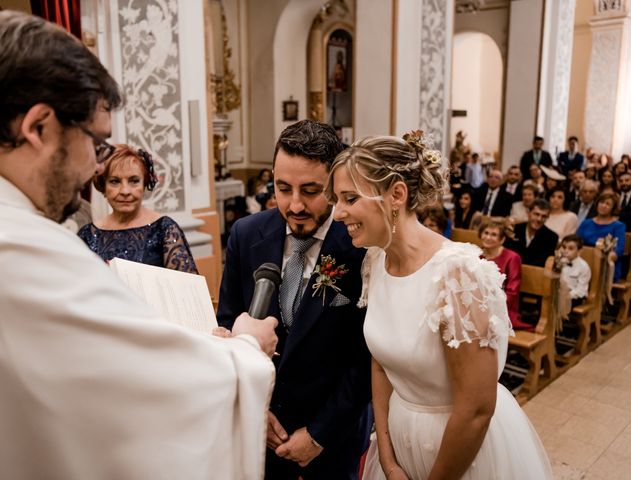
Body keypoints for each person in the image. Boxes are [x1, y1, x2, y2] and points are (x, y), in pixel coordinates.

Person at [0, 10, 278, 479]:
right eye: (96, 141)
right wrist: (248, 348)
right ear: (39, 128)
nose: (96, 165)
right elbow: (148, 390)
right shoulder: (20, 247)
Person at [327, 132, 552, 479]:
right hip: (399, 441)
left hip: (458, 452)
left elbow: (476, 408)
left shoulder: (458, 274)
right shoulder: (375, 261)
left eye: (350, 198)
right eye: (337, 199)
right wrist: (387, 459)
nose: (338, 212)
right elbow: (381, 363)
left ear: (396, 195)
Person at [217, 119, 371, 480]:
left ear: (334, 185)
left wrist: (319, 434)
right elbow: (228, 321)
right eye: (283, 188)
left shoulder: (362, 246)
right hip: (258, 430)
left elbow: (365, 360)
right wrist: (256, 409)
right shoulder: (245, 233)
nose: (295, 204)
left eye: (311, 190)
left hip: (332, 439)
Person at [78, 145, 198, 272]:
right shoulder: (88, 235)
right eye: (115, 181)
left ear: (144, 184)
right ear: (103, 187)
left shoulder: (164, 230)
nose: (125, 191)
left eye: (134, 181)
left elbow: (187, 287)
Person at [479, 219, 529, 331]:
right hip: (479, 305)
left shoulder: (512, 258)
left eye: (493, 235)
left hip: (503, 309)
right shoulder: (477, 255)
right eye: (486, 233)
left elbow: (512, 291)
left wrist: (491, 308)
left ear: (502, 239)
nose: (488, 237)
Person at [577, 192, 626, 281]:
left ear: (613, 208)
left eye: (607, 204)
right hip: (583, 262)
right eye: (601, 202)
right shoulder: (586, 223)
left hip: (605, 266)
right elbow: (576, 242)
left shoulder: (618, 226)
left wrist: (609, 256)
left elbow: (619, 249)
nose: (603, 206)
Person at [505, 199, 558, 267]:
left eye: (544, 216)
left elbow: (542, 262)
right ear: (528, 212)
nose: (539, 219)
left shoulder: (551, 237)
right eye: (536, 214)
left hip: (533, 274)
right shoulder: (514, 229)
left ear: (548, 217)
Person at [559, 235, 591, 308]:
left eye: (570, 248)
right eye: (564, 247)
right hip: (560, 292)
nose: (566, 251)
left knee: (561, 303)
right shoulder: (560, 262)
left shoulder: (583, 266)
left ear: (579, 251)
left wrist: (567, 295)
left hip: (575, 296)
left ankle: (561, 319)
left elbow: (581, 290)